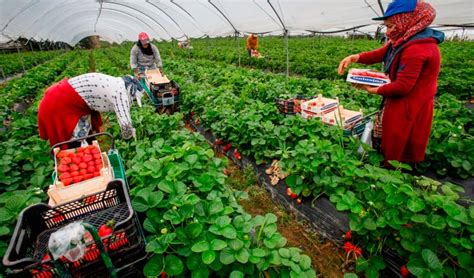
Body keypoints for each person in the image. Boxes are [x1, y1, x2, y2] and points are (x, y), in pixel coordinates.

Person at [337, 0, 444, 166]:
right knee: (393, 135)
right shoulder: (405, 39)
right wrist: (354, 57)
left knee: (399, 139)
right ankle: (391, 165)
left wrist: (371, 89)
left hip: (410, 104)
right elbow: (380, 53)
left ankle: (393, 173)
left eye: (391, 26)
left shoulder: (417, 49)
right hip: (401, 100)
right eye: (386, 26)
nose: (387, 32)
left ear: (407, 21)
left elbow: (402, 87)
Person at [38, 73, 144, 147]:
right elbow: (126, 126)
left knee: (85, 134)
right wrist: (131, 140)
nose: (133, 102)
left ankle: (90, 151)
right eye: (134, 99)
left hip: (67, 98)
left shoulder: (117, 83)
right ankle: (78, 161)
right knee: (75, 138)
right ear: (132, 92)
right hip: (60, 102)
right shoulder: (120, 94)